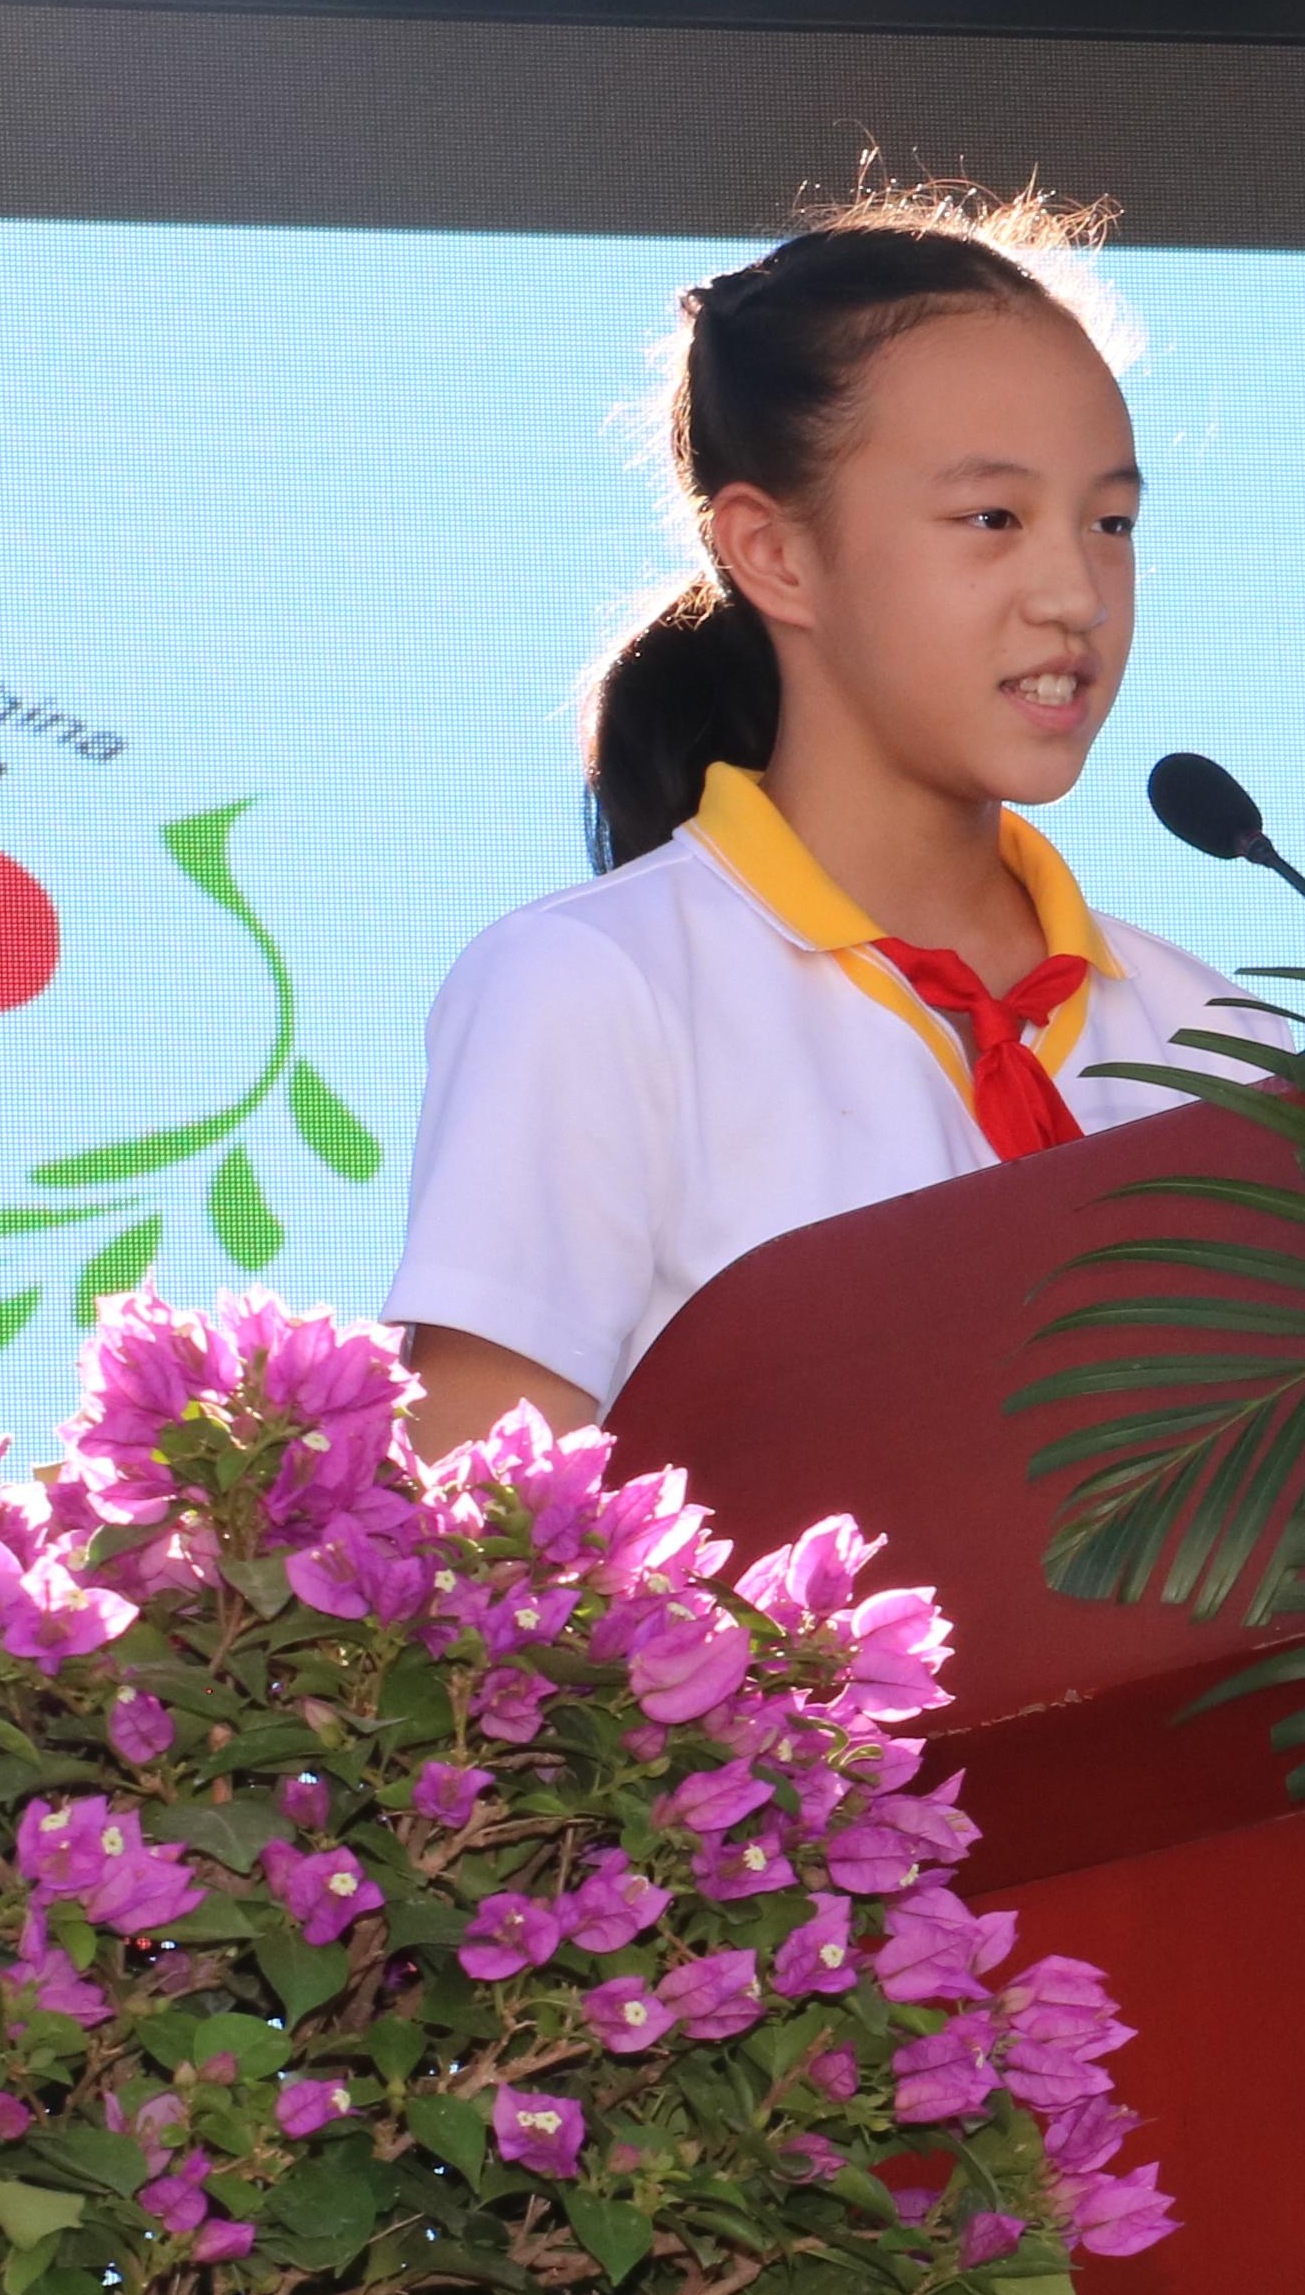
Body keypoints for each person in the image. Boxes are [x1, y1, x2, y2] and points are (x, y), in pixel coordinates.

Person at [389, 187, 1237, 1448]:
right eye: (992, 519)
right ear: (775, 554)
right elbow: (480, 1530)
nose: (1077, 594)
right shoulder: (591, 989)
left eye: (1110, 522)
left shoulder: (1216, 1036)